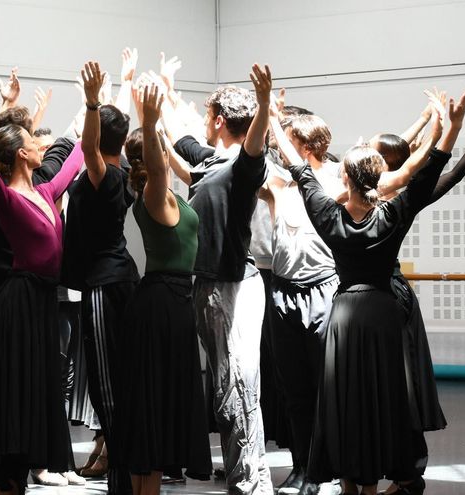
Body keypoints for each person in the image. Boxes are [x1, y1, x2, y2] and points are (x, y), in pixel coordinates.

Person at [272, 93, 448, 495]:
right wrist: (445, 125)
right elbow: (423, 169)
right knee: (384, 399)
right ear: (378, 179)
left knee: (343, 400)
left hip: (344, 314)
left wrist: (269, 113)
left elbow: (299, 168)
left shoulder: (327, 215)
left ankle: (352, 483)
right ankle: (378, 480)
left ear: (344, 179)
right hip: (382, 312)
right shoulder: (390, 216)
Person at [0, 77, 85, 493]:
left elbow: (76, 157)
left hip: (42, 302)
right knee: (15, 391)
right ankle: (4, 477)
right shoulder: (5, 196)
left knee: (38, 390)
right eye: (33, 140)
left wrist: (96, 105)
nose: (41, 144)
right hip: (18, 302)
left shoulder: (45, 189)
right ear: (23, 153)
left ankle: (17, 476)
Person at [373, 94, 465, 495]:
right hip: (372, 299)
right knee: (383, 390)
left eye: (369, 150)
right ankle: (399, 472)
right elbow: (404, 150)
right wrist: (427, 119)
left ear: (383, 166)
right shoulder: (369, 187)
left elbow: (443, 172)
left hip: (388, 300)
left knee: (400, 390)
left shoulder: (398, 199)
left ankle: (408, 473)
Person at [162, 64, 274, 494]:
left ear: (219, 121)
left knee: (238, 385)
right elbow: (180, 138)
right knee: (231, 386)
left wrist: (263, 104)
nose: (204, 123)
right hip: (210, 285)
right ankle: (252, 475)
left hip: (234, 285)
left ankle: (249, 482)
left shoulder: (242, 166)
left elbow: (255, 146)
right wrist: (168, 94)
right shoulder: (211, 160)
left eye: (208, 116)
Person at [114, 84, 212, 495]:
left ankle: (143, 488)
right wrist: (150, 122)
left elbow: (177, 160)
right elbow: (158, 167)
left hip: (167, 302)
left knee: (151, 402)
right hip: (162, 304)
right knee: (152, 404)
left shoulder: (171, 194)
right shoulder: (157, 197)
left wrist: (167, 109)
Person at [60, 61, 140, 494]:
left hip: (104, 285)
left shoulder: (105, 174)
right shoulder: (122, 167)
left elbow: (91, 146)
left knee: (108, 381)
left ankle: (121, 474)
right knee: (116, 377)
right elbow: (107, 138)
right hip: (117, 278)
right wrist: (124, 85)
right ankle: (121, 467)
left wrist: (92, 100)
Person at [258, 111, 344, 495]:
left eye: (286, 141)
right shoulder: (278, 185)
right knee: (293, 389)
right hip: (283, 291)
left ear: (306, 146)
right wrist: (265, 111)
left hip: (322, 290)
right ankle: (300, 466)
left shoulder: (332, 180)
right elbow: (248, 158)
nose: (279, 147)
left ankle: (327, 468)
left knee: (322, 385)